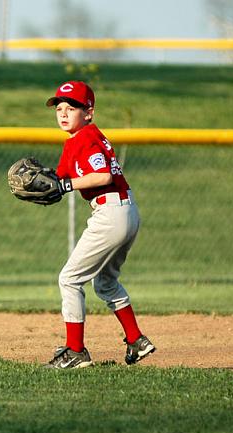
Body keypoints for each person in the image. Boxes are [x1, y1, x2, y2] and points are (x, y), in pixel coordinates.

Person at [44, 80, 156, 369]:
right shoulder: (77, 140)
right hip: (124, 211)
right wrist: (46, 187)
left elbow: (102, 176)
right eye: (59, 108)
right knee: (106, 282)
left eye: (72, 107)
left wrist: (66, 184)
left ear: (89, 112)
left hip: (111, 213)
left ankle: (75, 351)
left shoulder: (87, 138)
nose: (63, 113)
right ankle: (136, 339)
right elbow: (57, 182)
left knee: (69, 279)